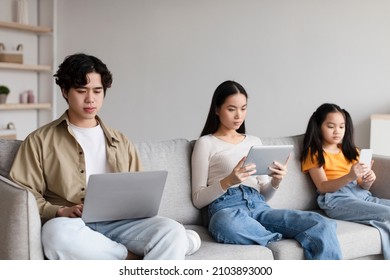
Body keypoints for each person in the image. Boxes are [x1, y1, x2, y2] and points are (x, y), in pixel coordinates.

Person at [9, 53, 201, 260]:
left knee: (171, 230)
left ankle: (168, 244)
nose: (90, 99)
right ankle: (129, 257)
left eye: (97, 91)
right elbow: (24, 195)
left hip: (122, 222)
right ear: (65, 92)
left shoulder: (120, 141)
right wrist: (58, 211)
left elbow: (139, 190)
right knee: (55, 235)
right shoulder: (40, 140)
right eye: (81, 91)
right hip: (73, 224)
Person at [191, 80, 342, 260]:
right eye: (231, 109)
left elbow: (264, 195)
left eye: (243, 108)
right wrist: (229, 181)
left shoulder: (254, 142)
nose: (239, 115)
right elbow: (198, 199)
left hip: (259, 207)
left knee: (321, 223)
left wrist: (276, 182)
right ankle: (275, 237)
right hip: (227, 208)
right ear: (217, 109)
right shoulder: (206, 143)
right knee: (224, 223)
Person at [301, 103, 390, 260]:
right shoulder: (314, 153)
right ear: (319, 126)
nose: (337, 131)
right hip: (337, 198)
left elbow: (362, 185)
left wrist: (368, 180)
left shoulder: (352, 151)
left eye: (342, 127)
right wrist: (350, 176)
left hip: (361, 194)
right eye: (331, 126)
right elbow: (322, 187)